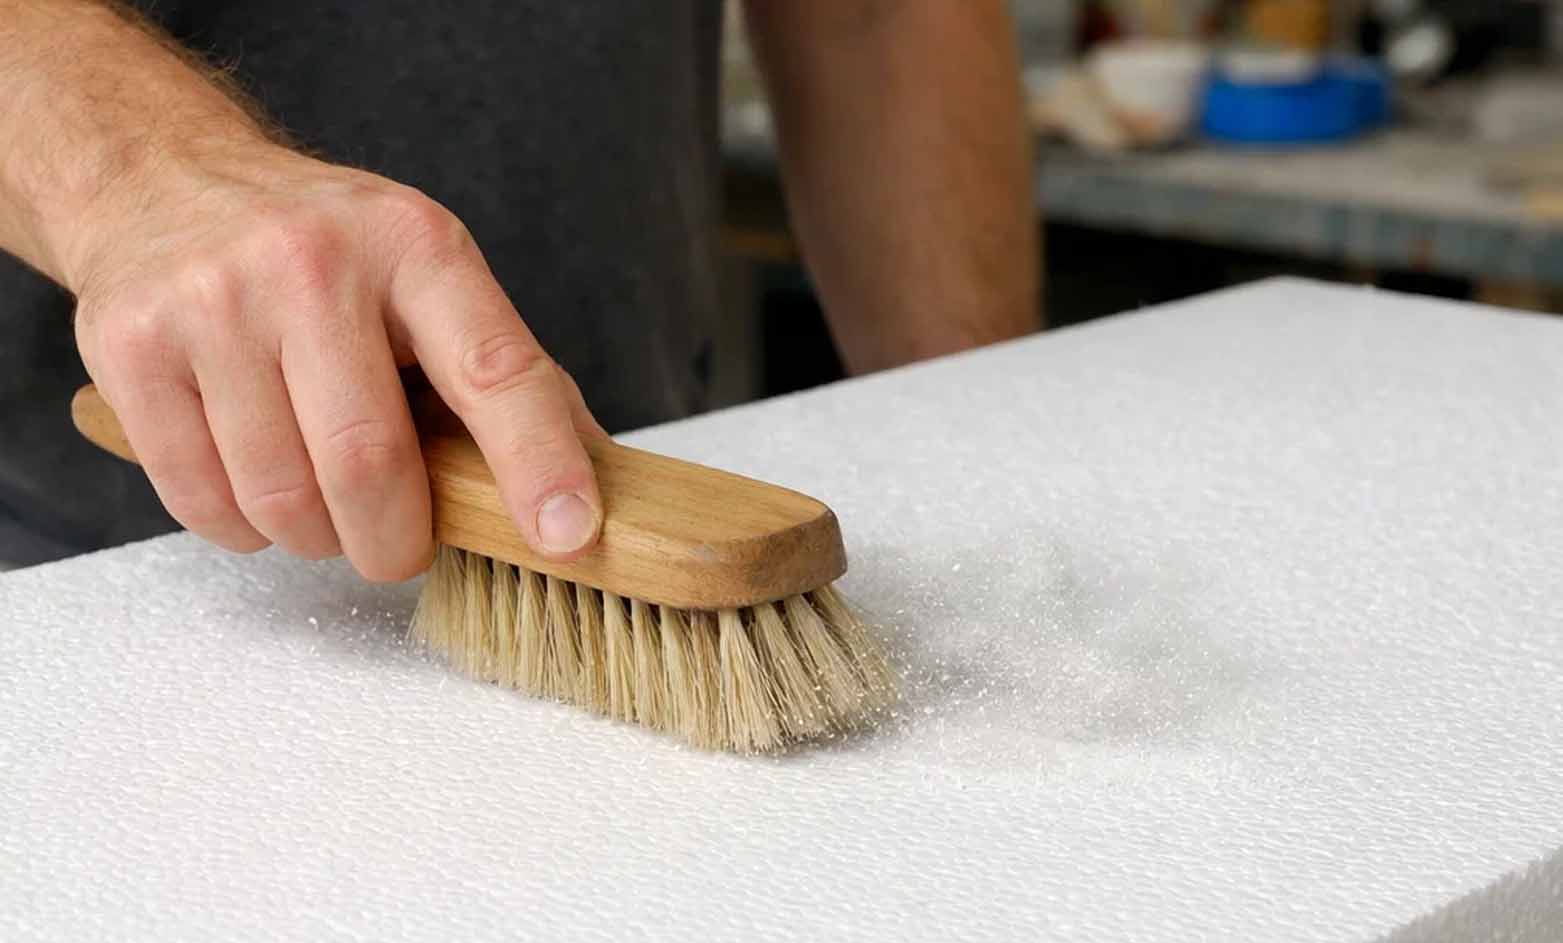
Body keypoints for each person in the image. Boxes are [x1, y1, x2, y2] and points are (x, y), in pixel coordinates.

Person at [0, 1, 1038, 577]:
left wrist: (989, 468)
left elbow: (876, 20)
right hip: (82, 575)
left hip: (654, 422)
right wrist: (138, 178)